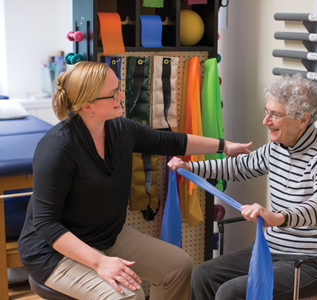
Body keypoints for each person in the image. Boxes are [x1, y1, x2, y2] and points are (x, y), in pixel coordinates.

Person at [17, 61, 251, 300]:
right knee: (128, 295)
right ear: (87, 105)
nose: (121, 96)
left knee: (178, 266)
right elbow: (46, 225)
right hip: (53, 251)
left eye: (119, 88)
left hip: (105, 235)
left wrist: (225, 146)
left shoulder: (120, 129)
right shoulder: (56, 149)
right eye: (113, 94)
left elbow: (171, 141)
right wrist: (100, 262)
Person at [168, 74, 317, 300]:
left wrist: (281, 218)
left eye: (275, 115)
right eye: (267, 112)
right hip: (271, 250)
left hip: (313, 263)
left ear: (303, 119)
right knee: (203, 275)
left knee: (230, 292)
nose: (266, 121)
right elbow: (239, 167)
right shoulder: (276, 149)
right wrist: (191, 167)